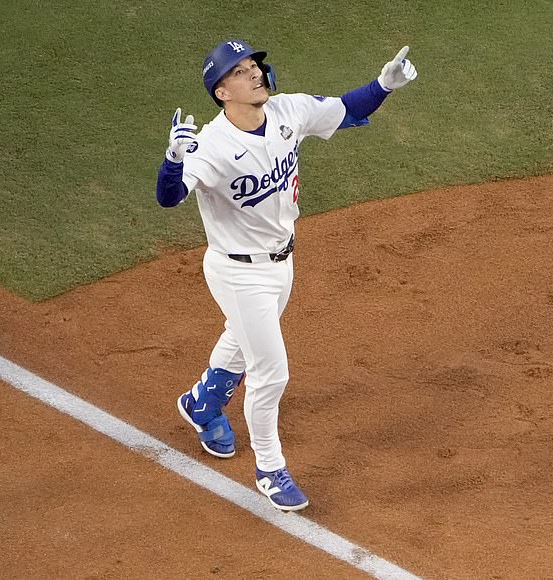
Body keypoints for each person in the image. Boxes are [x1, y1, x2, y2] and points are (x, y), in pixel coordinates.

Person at [156, 39, 417, 511]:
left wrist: (384, 86)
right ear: (221, 92)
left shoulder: (286, 111)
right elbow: (169, 198)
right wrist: (174, 159)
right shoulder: (210, 147)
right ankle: (270, 468)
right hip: (237, 272)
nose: (254, 72)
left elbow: (343, 108)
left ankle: (203, 403)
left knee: (244, 338)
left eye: (254, 64)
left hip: (282, 262)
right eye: (240, 71)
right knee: (271, 372)